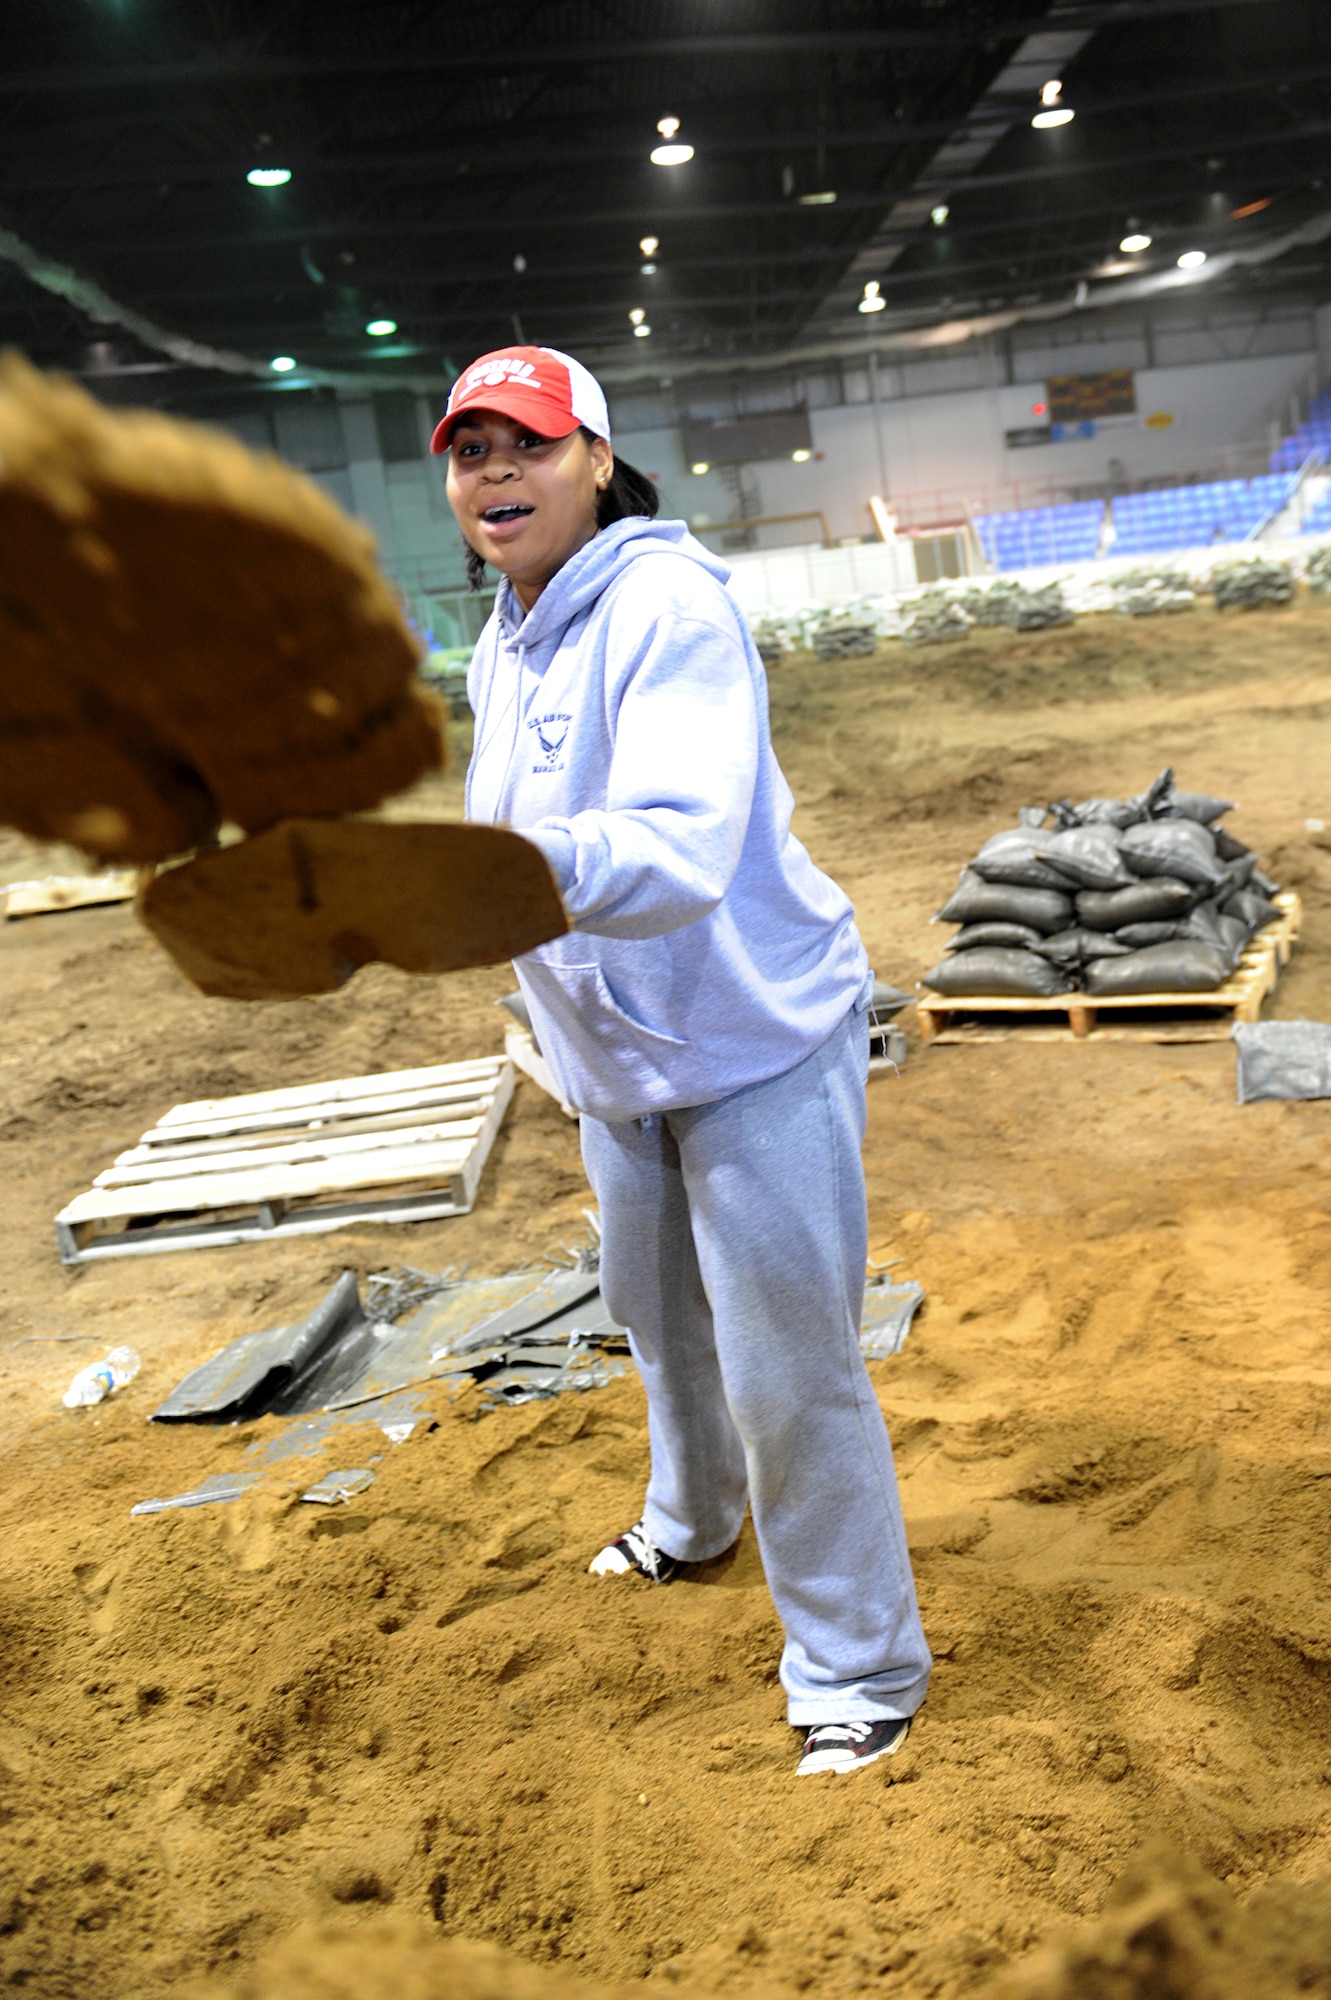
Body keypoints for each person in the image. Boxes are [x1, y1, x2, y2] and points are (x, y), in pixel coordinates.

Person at [433, 345, 931, 1777]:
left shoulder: (665, 602)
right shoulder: (510, 631)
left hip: (751, 1037)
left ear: (595, 457)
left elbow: (676, 845)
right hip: (618, 1060)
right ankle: (693, 1521)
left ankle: (858, 1663)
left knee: (791, 1367)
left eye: (524, 444)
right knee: (660, 1324)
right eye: (470, 452)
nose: (496, 473)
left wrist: (495, 875)